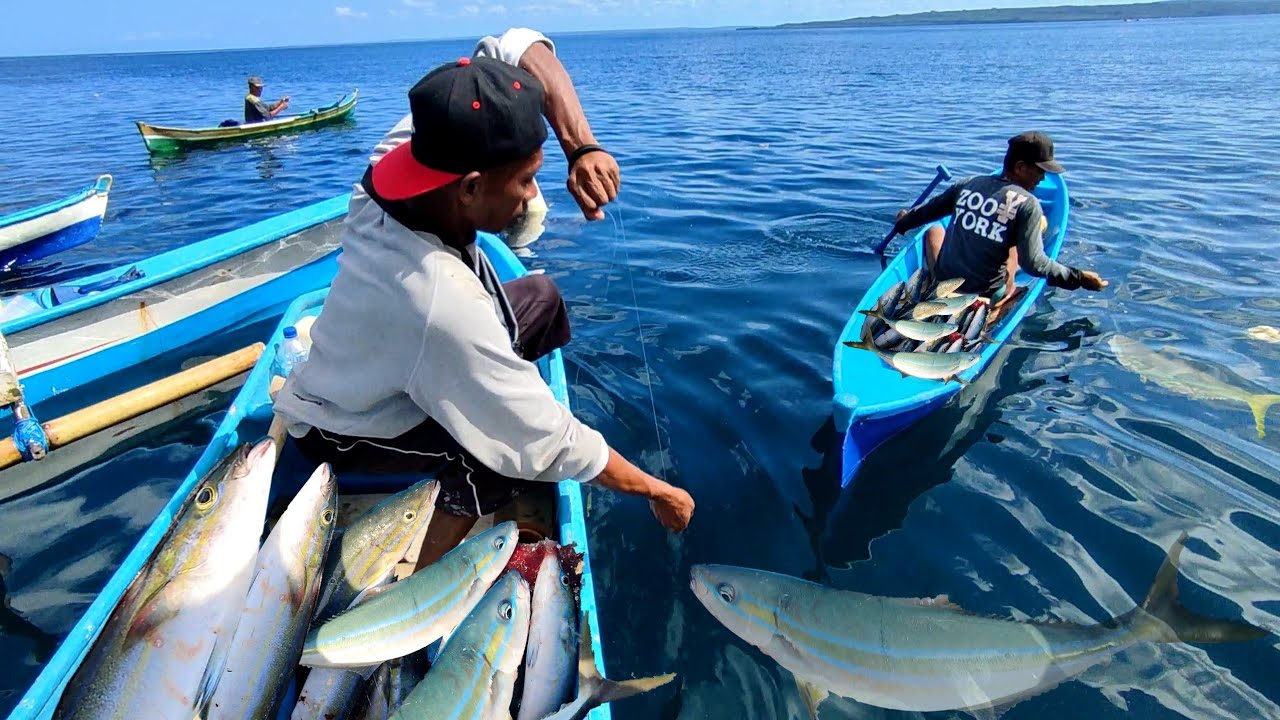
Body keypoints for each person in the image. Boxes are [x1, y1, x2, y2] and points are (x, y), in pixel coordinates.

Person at [273, 28, 694, 572]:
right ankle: (417, 574)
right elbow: (549, 441)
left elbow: (515, 46)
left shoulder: (396, 166)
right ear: (469, 188)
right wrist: (659, 492)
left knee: (540, 296)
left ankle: (491, 386)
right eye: (525, 181)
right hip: (349, 427)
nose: (533, 196)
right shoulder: (437, 301)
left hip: (393, 356)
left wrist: (581, 147)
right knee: (510, 457)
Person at [891, 131, 1107, 324]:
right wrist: (1078, 278)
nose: (1043, 178)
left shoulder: (968, 183)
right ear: (1020, 167)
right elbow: (1034, 265)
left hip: (945, 282)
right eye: (1040, 171)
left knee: (934, 230)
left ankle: (935, 286)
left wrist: (904, 221)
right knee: (1013, 255)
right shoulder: (1028, 204)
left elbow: (926, 213)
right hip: (981, 293)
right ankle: (994, 308)